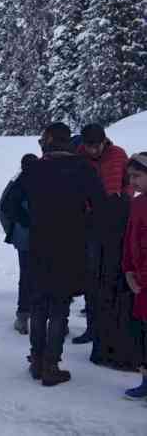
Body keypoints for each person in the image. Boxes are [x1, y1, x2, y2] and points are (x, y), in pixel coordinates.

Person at [3, 122, 105, 386]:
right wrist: (84, 226)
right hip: (70, 246)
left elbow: (10, 205)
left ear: (48, 141)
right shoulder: (84, 169)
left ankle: (37, 360)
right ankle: (51, 365)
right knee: (59, 306)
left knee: (38, 304)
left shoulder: (34, 169)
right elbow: (101, 206)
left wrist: (31, 221)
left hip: (39, 243)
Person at [74, 124, 138, 369]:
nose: (92, 150)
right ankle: (93, 328)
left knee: (113, 277)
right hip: (89, 222)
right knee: (92, 277)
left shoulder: (119, 154)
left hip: (116, 219)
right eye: (88, 146)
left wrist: (125, 197)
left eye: (95, 145)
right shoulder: (78, 157)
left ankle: (112, 335)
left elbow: (128, 181)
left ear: (104, 142)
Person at [0, 153, 38, 334]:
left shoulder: (16, 182)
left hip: (24, 238)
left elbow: (3, 209)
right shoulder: (47, 180)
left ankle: (23, 317)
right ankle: (54, 318)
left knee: (26, 276)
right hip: (47, 237)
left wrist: (13, 231)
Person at [122, 153, 147, 399]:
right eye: (130, 176)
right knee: (143, 334)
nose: (133, 181)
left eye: (137, 176)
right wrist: (128, 270)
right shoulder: (138, 203)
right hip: (140, 283)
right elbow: (131, 240)